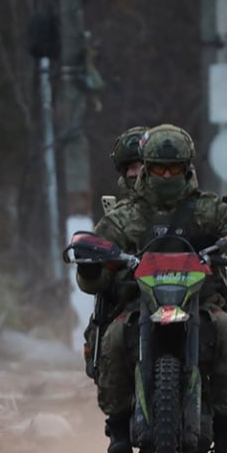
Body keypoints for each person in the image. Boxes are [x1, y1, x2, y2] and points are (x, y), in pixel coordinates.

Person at [74, 124, 227, 453]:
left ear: (187, 167)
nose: (167, 175)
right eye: (159, 169)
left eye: (174, 168)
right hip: (137, 303)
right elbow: (95, 271)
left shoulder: (207, 209)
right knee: (113, 337)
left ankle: (225, 426)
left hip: (204, 301)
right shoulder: (126, 216)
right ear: (147, 169)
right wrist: (91, 267)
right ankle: (118, 424)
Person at [83, 126, 148, 379]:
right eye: (132, 167)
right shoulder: (117, 220)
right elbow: (95, 281)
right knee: (112, 339)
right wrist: (90, 269)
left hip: (193, 302)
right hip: (132, 305)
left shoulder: (198, 208)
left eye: (145, 165)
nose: (138, 173)